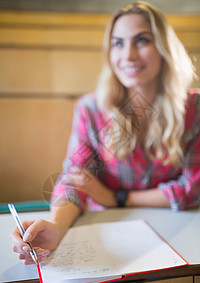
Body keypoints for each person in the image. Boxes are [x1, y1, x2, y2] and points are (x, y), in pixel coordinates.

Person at [9, 1, 200, 265]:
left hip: (181, 238)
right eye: (118, 43)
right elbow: (74, 180)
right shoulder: (91, 109)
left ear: (164, 48)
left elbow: (193, 188)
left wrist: (117, 198)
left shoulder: (194, 108)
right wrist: (55, 226)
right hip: (108, 235)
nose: (128, 55)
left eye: (142, 40)